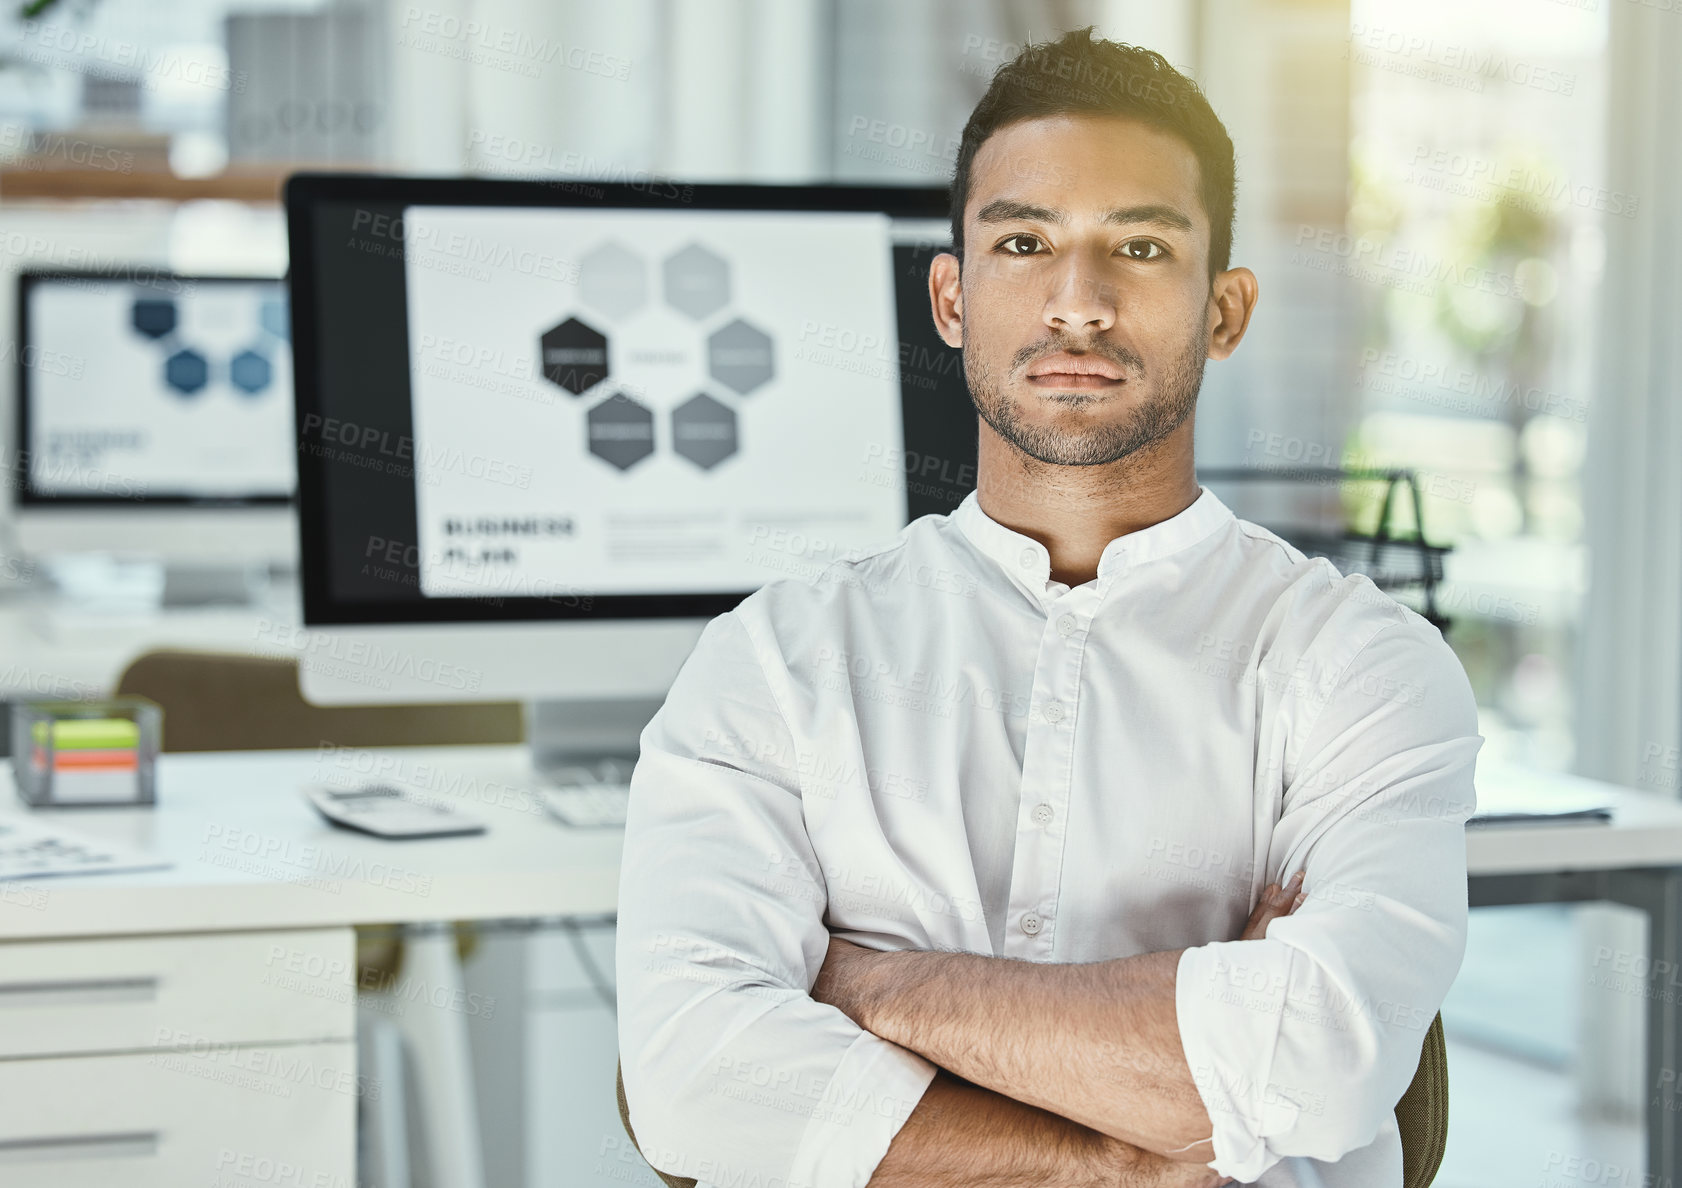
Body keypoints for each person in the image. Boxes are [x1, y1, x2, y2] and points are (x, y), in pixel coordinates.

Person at [616, 26, 1481, 1188]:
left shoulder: (1358, 664)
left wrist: (869, 984)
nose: (1077, 303)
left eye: (1137, 245)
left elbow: (1318, 1063)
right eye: (1022, 242)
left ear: (1223, 312)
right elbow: (692, 1087)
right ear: (950, 295)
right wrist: (1128, 1153)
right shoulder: (777, 660)